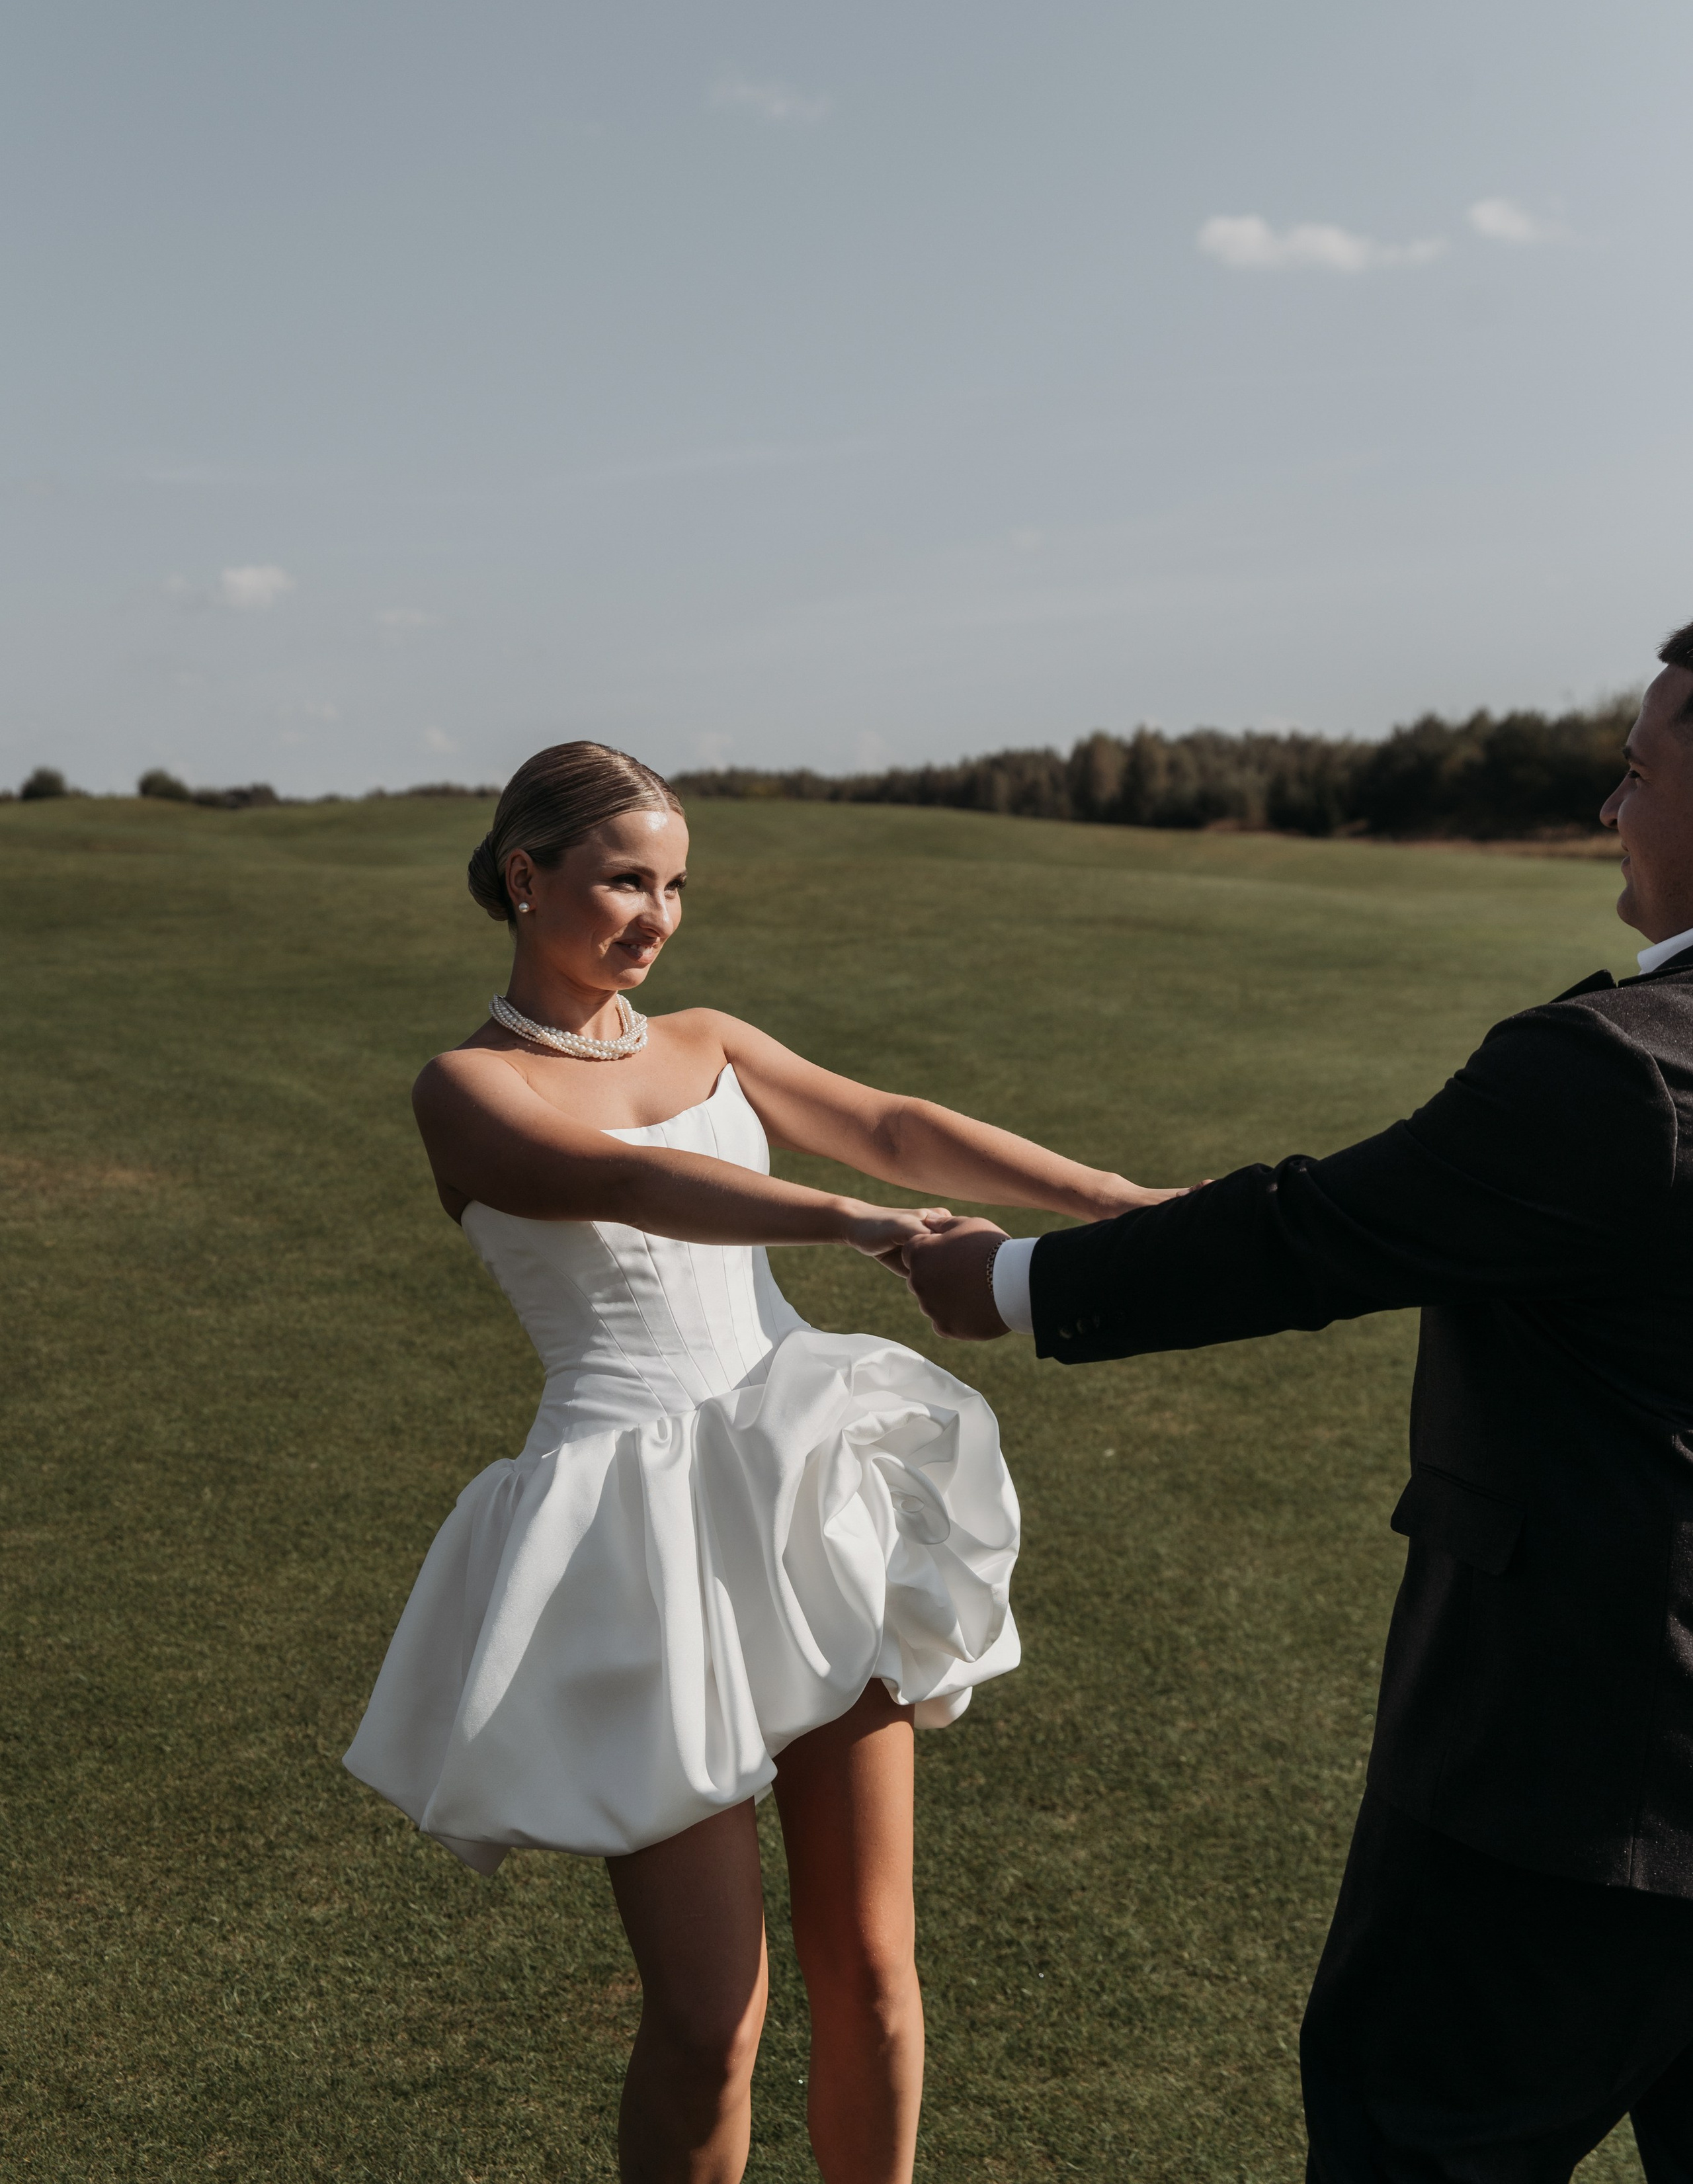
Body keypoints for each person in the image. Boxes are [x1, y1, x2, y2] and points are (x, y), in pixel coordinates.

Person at [904, 620, 1693, 2184]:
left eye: (1637, 765)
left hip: (1563, 1782)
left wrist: (1010, 1282)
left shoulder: (1612, 1071)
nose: (1608, 805)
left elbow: (1314, 1233)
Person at [344, 740, 1178, 2184]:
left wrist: (1116, 1199)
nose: (654, 914)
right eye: (622, 879)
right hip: (635, 1532)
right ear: (524, 876)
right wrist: (844, 1223)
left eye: (672, 884)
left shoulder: (709, 1039)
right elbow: (622, 1183)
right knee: (707, 2018)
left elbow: (893, 1121)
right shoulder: (462, 1087)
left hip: (801, 1491)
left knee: (871, 1966)